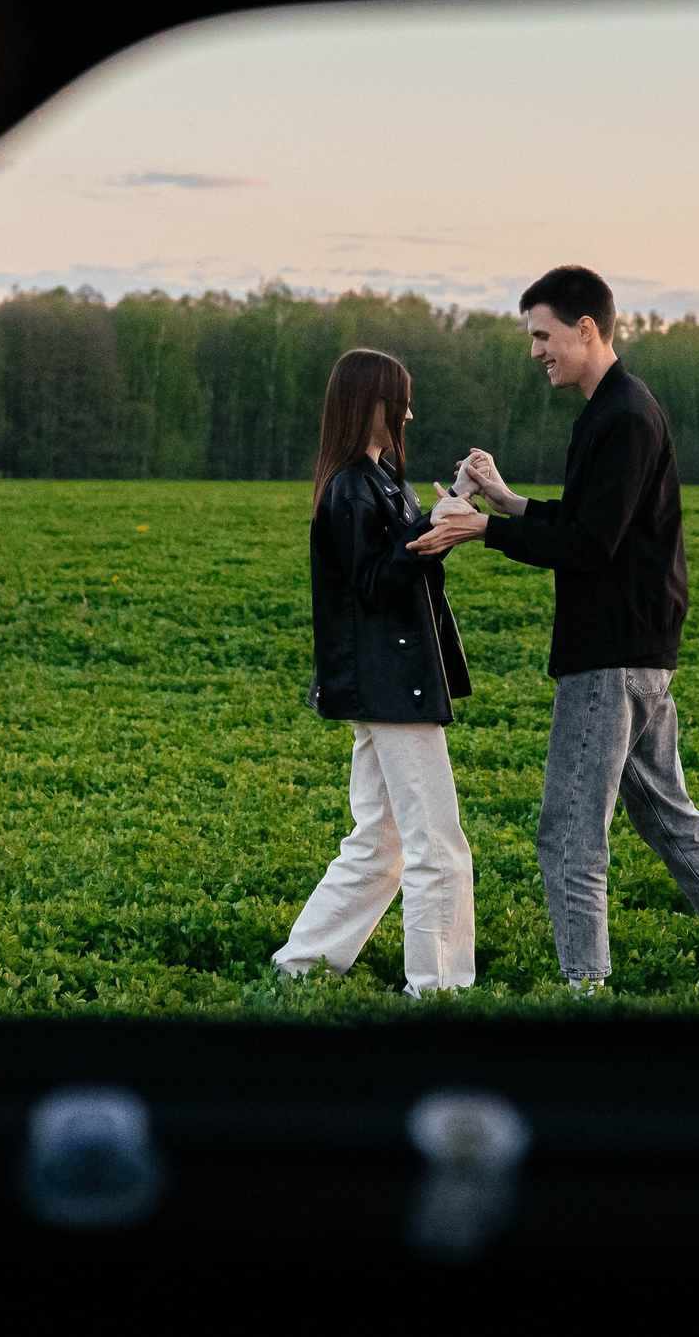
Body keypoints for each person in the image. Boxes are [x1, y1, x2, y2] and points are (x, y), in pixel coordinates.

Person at [416, 266, 699, 990]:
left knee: (568, 834)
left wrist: (482, 531)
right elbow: (590, 519)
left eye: (543, 334)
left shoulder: (623, 416)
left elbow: (593, 546)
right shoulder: (613, 410)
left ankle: (584, 989)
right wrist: (505, 499)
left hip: (611, 657)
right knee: (668, 815)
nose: (536, 350)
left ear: (585, 328)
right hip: (638, 652)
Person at [274, 347, 477, 993]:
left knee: (381, 841)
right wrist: (432, 533)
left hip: (387, 682)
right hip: (394, 686)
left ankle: (300, 967)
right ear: (374, 403)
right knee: (435, 847)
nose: (410, 412)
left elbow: (393, 562)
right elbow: (374, 582)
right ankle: (439, 988)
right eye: (402, 399)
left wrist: (438, 520)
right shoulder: (351, 487)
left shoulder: (378, 479)